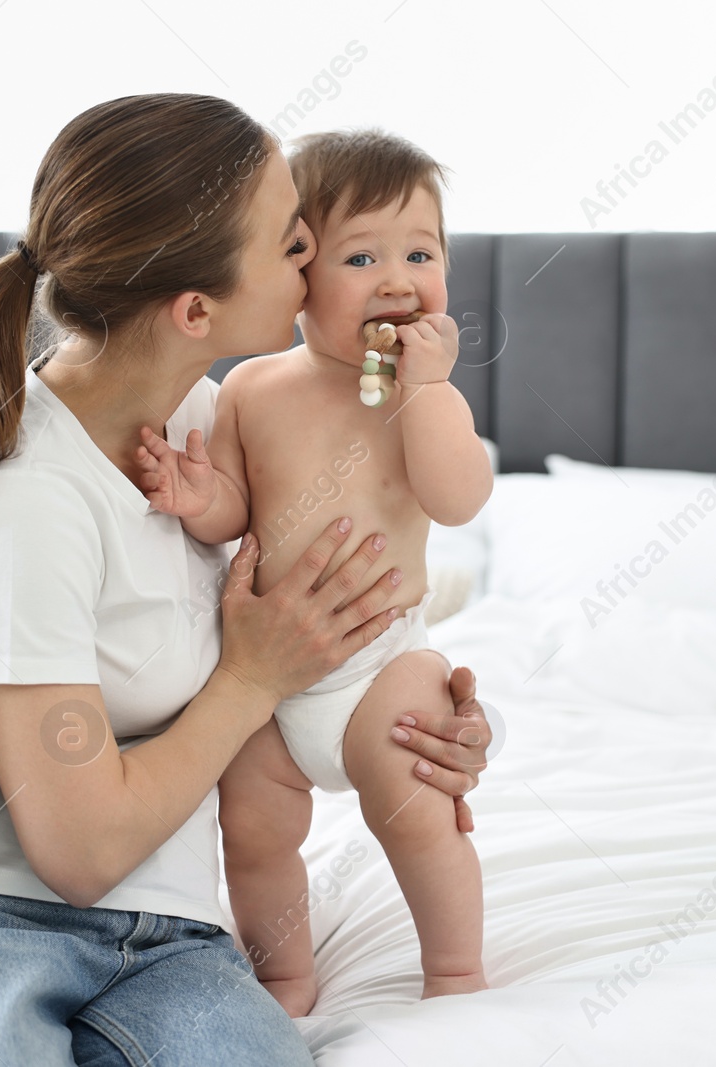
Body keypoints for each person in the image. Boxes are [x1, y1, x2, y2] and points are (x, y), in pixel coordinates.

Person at [0, 94, 496, 1067]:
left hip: (174, 936)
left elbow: (365, 569)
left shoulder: (210, 421)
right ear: (196, 309)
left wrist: (424, 733)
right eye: (293, 241)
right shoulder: (38, 500)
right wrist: (253, 675)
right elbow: (81, 855)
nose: (320, 257)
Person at [133, 128, 492, 1017]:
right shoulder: (253, 386)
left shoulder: (427, 397)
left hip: (382, 664)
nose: (398, 278)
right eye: (360, 255)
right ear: (299, 275)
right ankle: (284, 976)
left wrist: (429, 392)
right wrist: (195, 492)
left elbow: (459, 498)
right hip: (267, 681)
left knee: (419, 805)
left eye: (421, 252)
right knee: (253, 835)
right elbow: (235, 509)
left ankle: (454, 969)